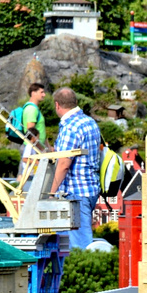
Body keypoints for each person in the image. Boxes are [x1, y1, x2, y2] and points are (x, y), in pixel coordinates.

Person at [47, 87, 104, 249]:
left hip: (75, 193)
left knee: (78, 246)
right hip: (90, 189)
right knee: (73, 243)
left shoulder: (70, 127)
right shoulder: (90, 122)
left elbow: (64, 164)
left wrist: (51, 192)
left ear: (57, 105)